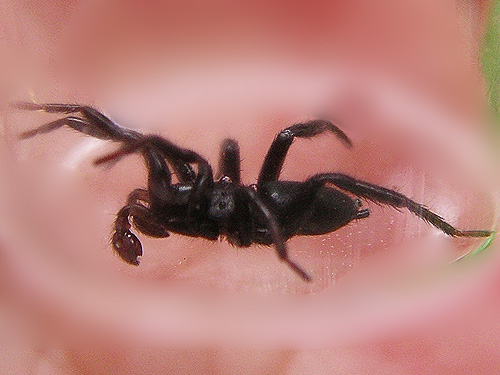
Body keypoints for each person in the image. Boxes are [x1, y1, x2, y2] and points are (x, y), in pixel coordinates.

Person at [0, 1, 499, 373]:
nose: (161, 188)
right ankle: (32, 119)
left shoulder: (211, 198)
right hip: (259, 215)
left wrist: (281, 247)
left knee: (320, 171)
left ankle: (442, 222)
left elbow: (200, 156)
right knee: (140, 145)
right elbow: (155, 168)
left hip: (288, 210)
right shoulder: (172, 205)